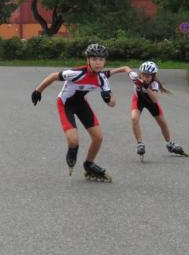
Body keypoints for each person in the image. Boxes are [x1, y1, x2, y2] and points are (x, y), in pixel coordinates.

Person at [30, 43, 121, 182]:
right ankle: (72, 150)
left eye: (101, 60)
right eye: (94, 59)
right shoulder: (77, 73)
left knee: (98, 138)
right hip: (65, 104)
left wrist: (109, 98)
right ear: (88, 60)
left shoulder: (102, 78)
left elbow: (112, 104)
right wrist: (38, 91)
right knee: (73, 141)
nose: (98, 63)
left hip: (81, 104)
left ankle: (89, 164)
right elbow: (54, 76)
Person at [125, 61, 188, 161]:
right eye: (143, 75)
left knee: (163, 124)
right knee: (134, 118)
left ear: (153, 76)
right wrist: (108, 74)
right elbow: (125, 68)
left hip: (151, 102)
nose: (145, 78)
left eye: (148, 76)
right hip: (138, 100)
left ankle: (169, 144)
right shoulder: (135, 77)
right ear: (140, 73)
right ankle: (140, 144)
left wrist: (146, 87)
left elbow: (154, 99)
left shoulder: (154, 84)